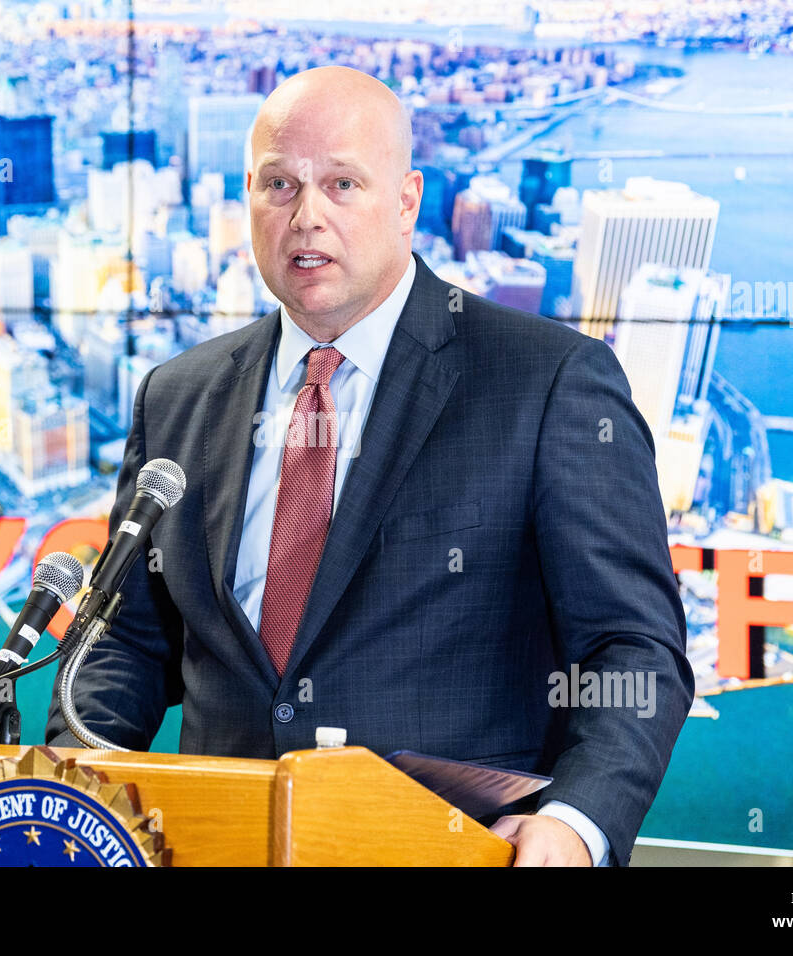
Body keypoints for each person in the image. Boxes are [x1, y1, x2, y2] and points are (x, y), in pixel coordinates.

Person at [47, 66, 694, 867]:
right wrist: (72, 794)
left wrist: (576, 821)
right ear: (247, 197)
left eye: (342, 184)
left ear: (407, 200)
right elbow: (127, 645)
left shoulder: (547, 381)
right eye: (279, 185)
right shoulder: (176, 397)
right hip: (212, 847)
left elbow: (632, 647)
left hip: (450, 852)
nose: (306, 216)